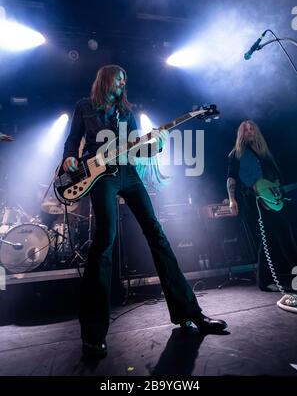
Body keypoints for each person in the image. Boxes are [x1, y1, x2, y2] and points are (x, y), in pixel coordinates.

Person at [62, 64, 227, 357]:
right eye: (118, 78)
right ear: (105, 80)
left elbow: (138, 148)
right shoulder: (84, 106)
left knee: (156, 233)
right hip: (99, 175)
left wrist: (157, 146)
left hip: (128, 173)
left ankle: (190, 312)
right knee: (104, 241)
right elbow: (73, 141)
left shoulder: (126, 112)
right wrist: (69, 159)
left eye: (125, 79)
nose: (123, 83)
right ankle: (93, 332)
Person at [227, 120, 297, 291]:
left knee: (278, 237)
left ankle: (267, 281)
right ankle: (266, 281)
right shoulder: (236, 154)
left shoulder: (265, 153)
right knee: (271, 238)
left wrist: (277, 189)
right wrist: (232, 199)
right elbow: (231, 178)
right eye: (246, 130)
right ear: (241, 134)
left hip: (273, 199)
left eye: (252, 128)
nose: (250, 131)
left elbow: (274, 176)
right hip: (254, 200)